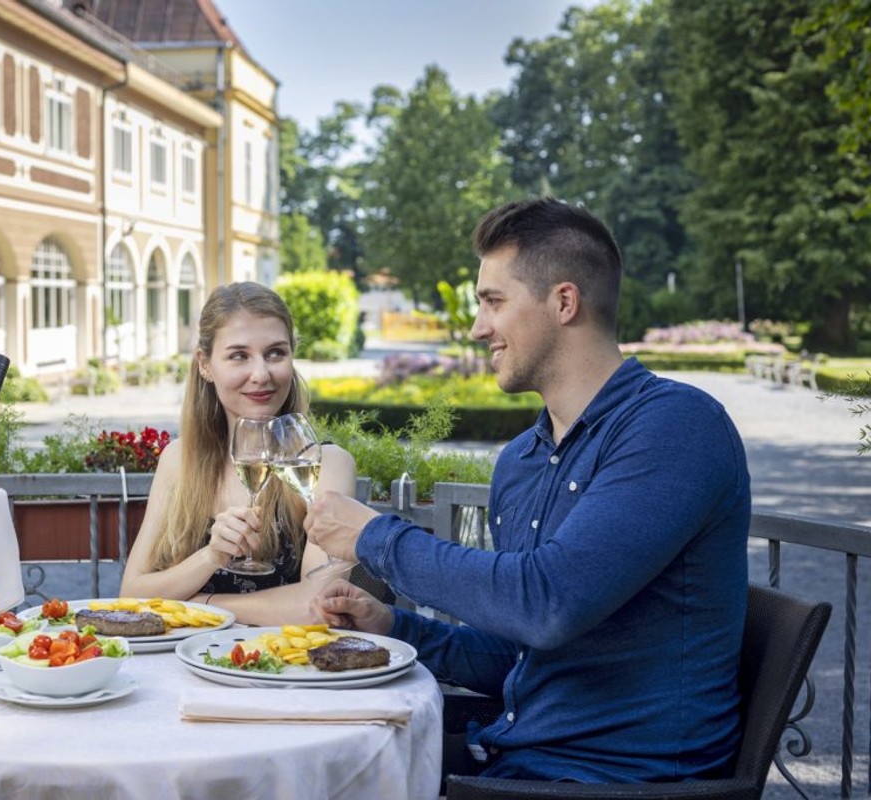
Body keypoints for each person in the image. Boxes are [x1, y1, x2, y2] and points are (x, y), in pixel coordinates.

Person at [306, 198, 751, 783]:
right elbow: (523, 650)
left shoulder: (675, 427)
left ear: (564, 302)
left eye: (493, 302)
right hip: (518, 763)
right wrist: (394, 627)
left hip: (618, 785)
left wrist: (374, 536)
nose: (477, 327)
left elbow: (546, 605)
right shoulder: (521, 460)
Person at [120, 282, 357, 625]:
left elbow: (318, 606)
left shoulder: (326, 464)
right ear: (205, 364)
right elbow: (131, 594)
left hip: (289, 670)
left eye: (276, 353)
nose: (261, 374)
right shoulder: (179, 460)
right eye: (239, 356)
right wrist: (211, 556)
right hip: (192, 666)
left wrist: (199, 606)